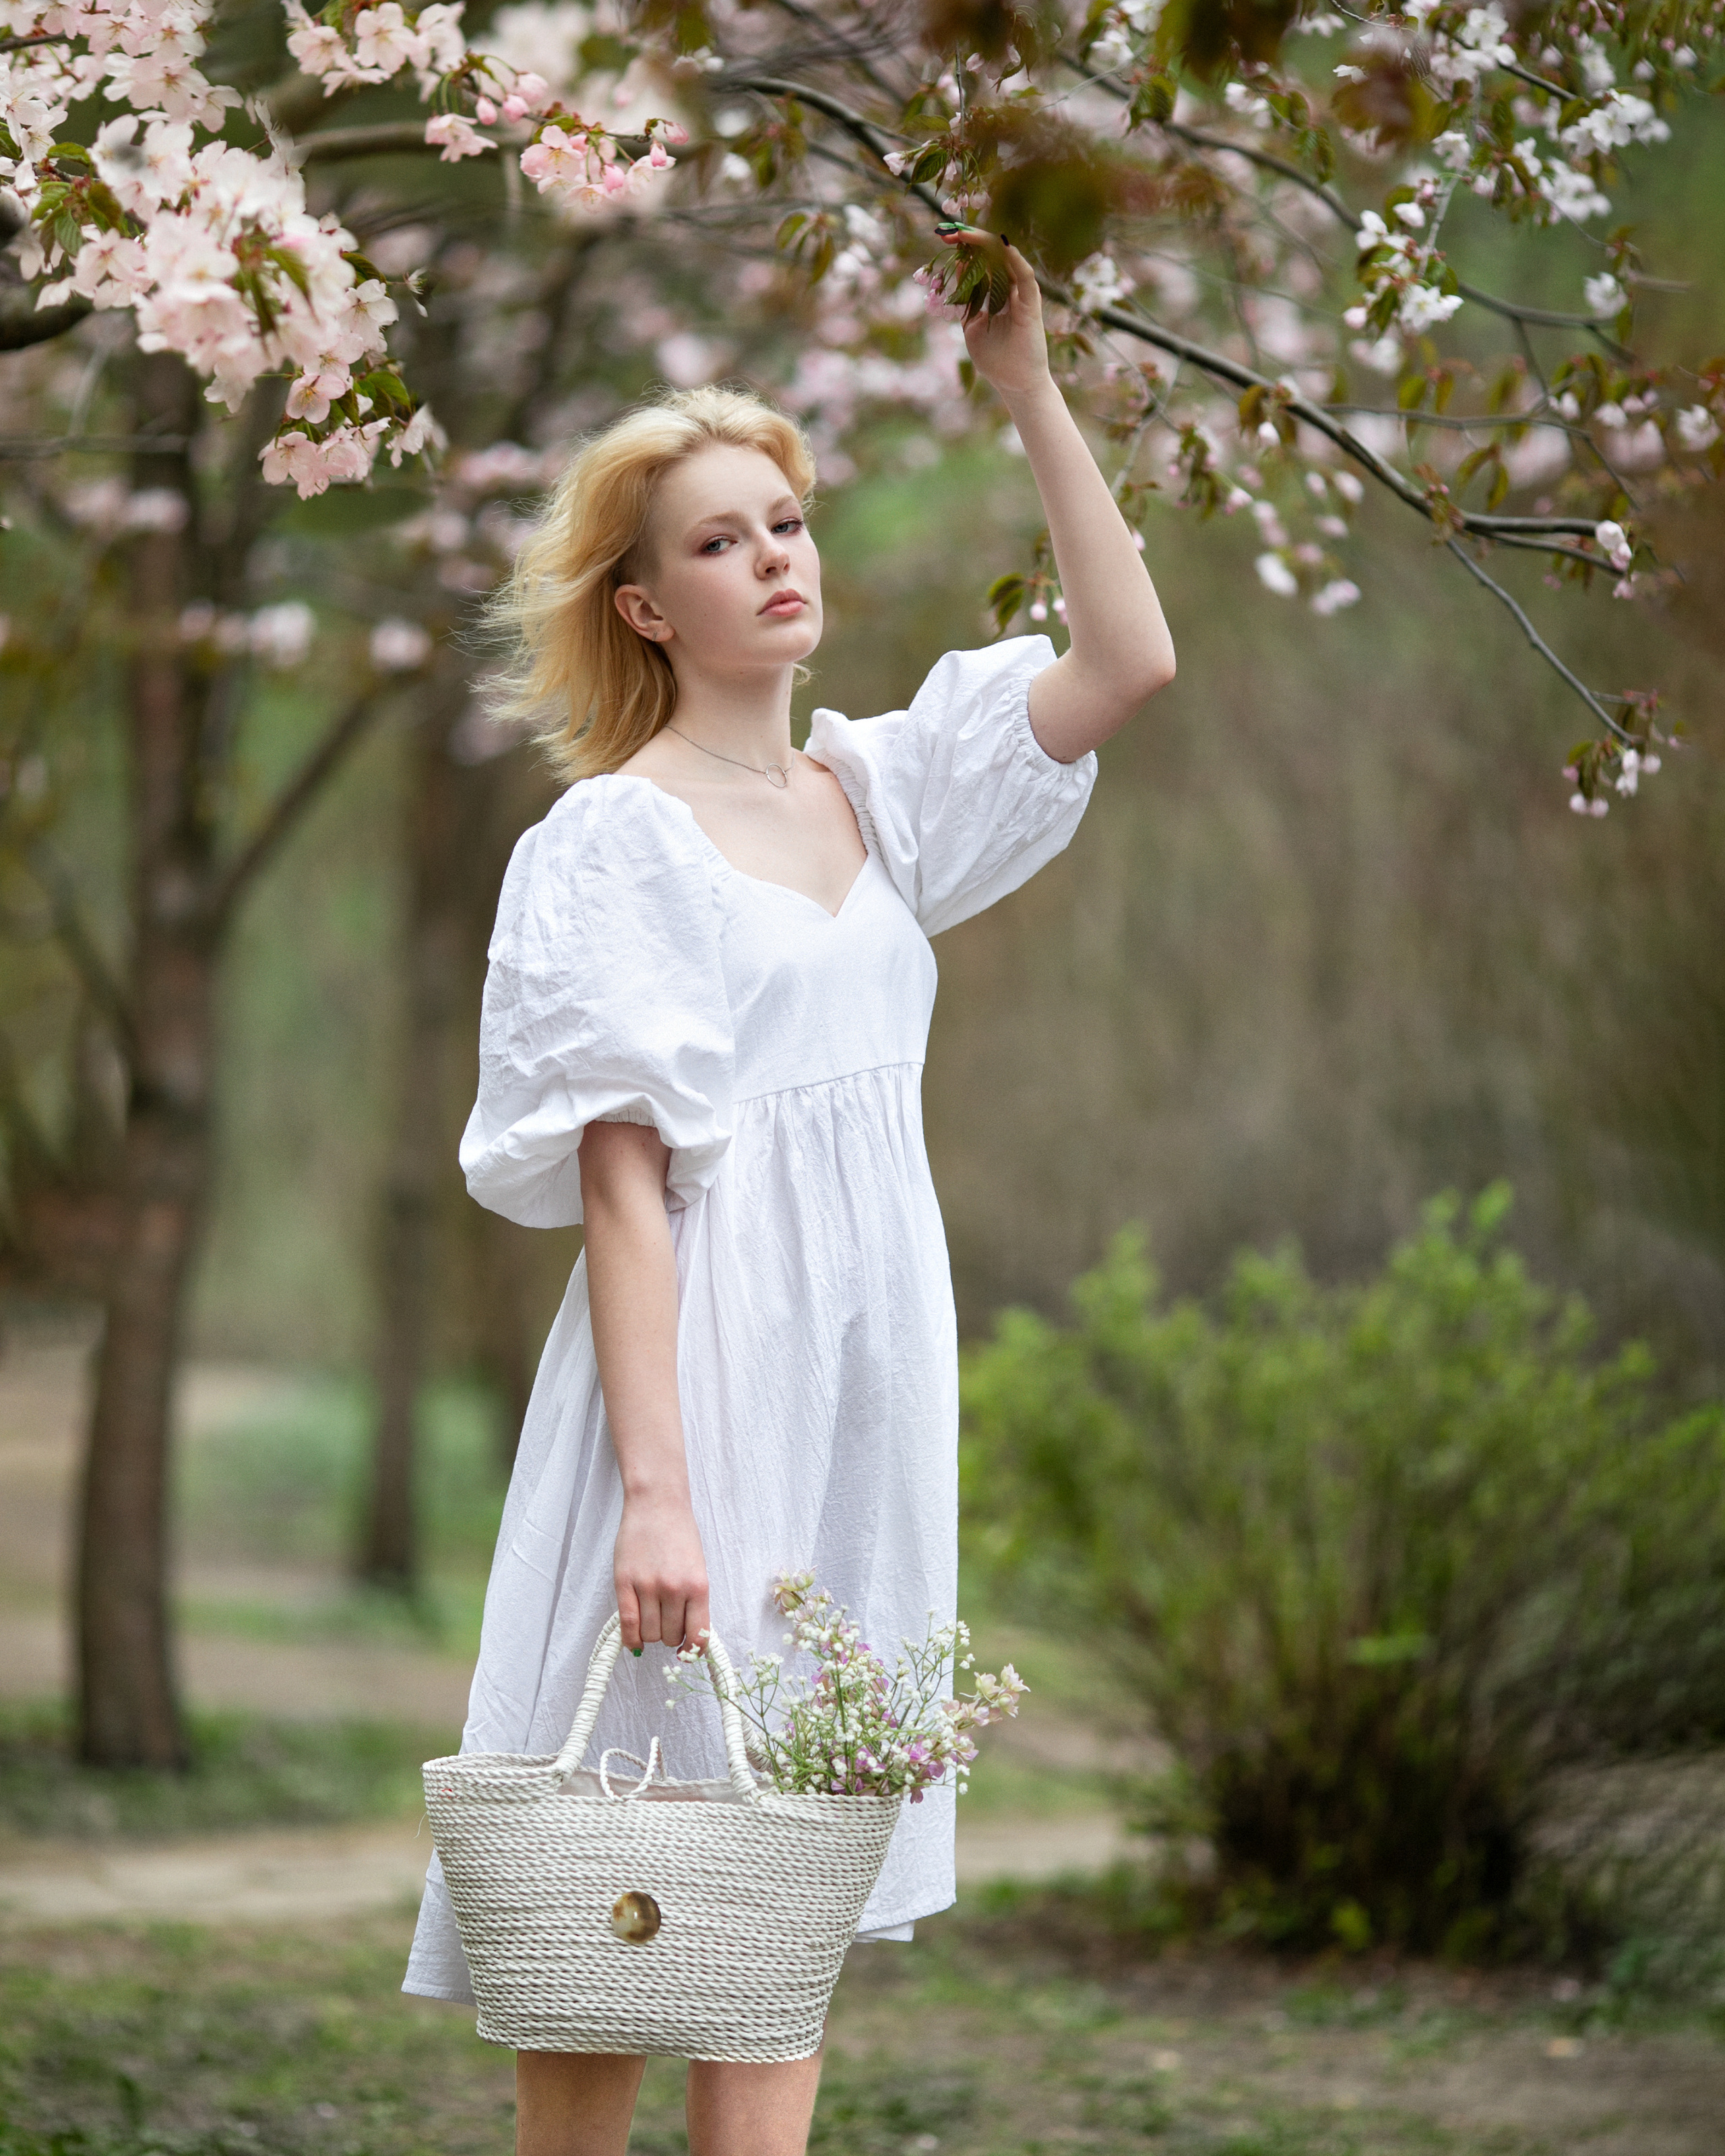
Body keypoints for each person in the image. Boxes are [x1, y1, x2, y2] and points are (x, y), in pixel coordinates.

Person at [402, 242, 1175, 2155]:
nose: (776, 558)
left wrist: (1027, 382)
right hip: (696, 1385)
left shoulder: (883, 798)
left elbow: (1127, 659)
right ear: (647, 604)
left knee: (788, 1881)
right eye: (725, 540)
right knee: (622, 1894)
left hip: (863, 1383)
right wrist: (659, 1491)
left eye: (790, 522)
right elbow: (622, 1188)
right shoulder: (610, 842)